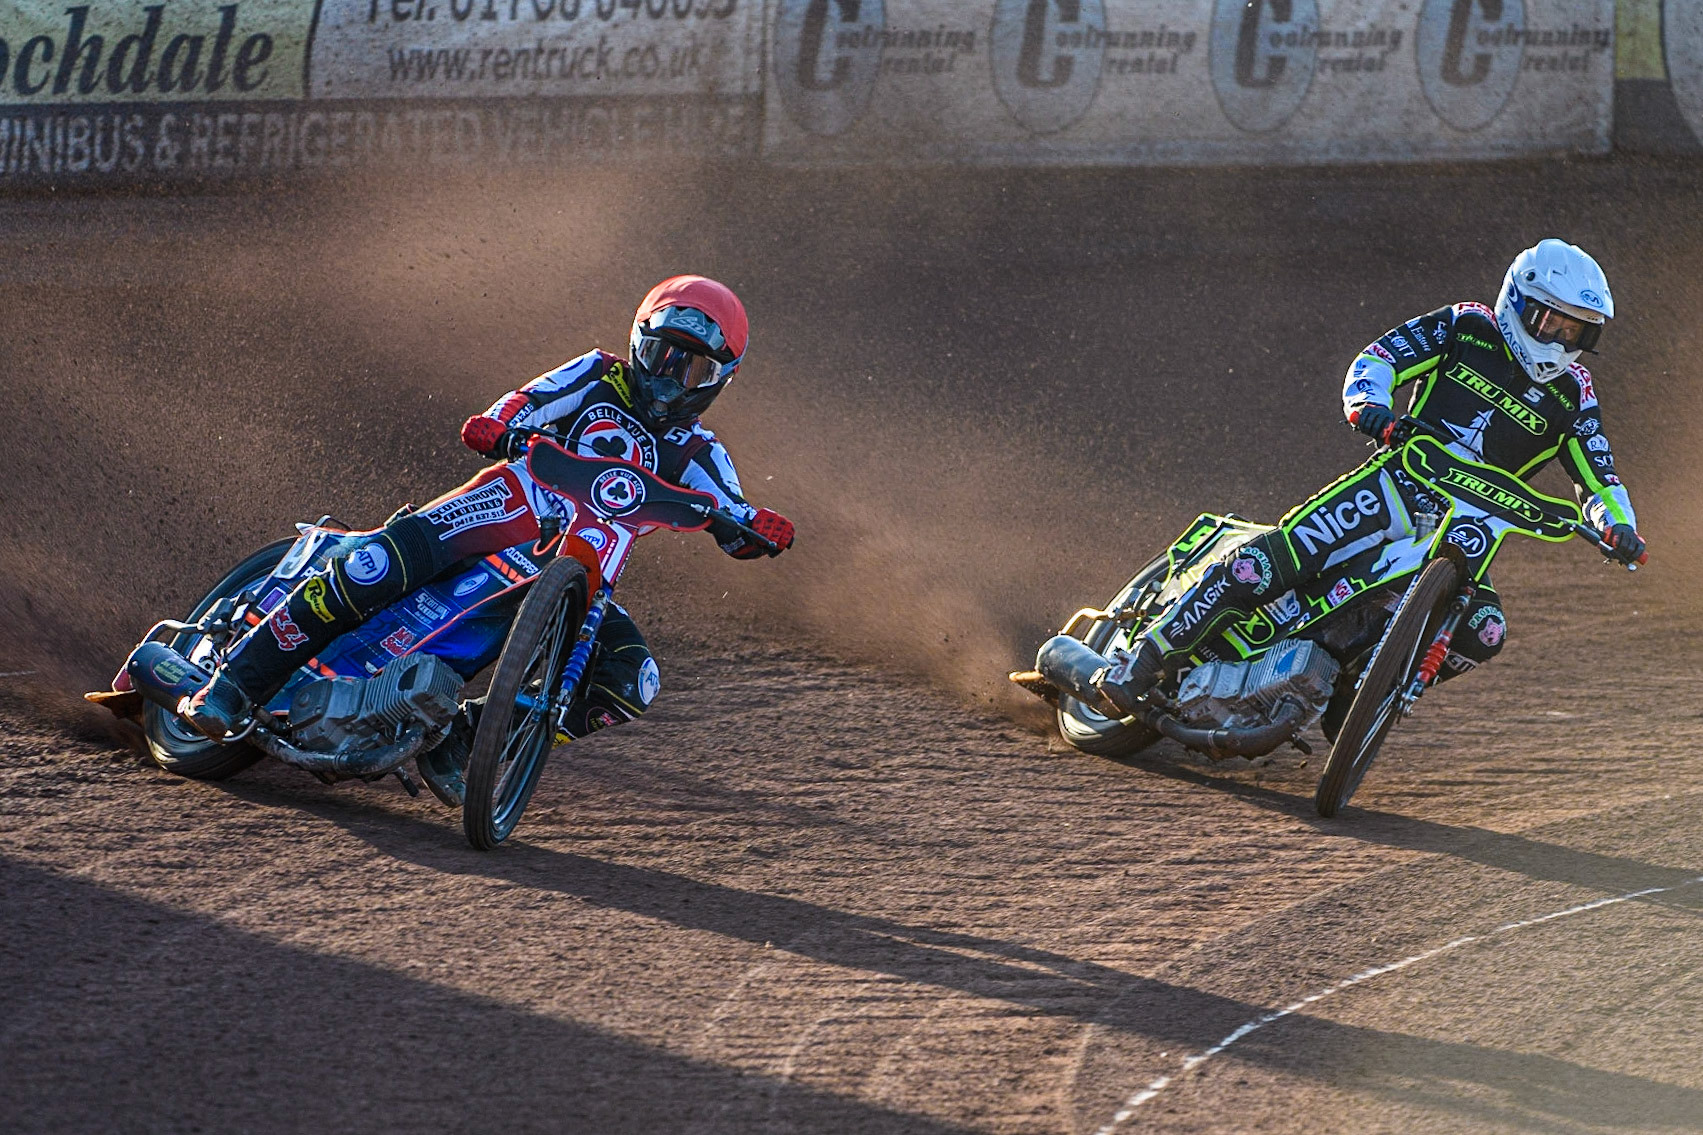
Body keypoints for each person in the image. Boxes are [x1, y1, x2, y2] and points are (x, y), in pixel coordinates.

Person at [181, 275, 795, 800]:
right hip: (506, 506)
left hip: (585, 570)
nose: (672, 378)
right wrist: (497, 427)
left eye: (691, 368)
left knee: (634, 679)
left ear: (720, 379)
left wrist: (753, 532)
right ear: (638, 342)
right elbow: (523, 403)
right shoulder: (595, 375)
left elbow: (732, 517)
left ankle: (467, 742)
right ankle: (235, 683)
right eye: (662, 355)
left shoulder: (702, 453)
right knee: (375, 566)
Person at [1113, 238, 1645, 700]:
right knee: (1282, 558)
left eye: (1577, 333)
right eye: (1551, 322)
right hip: (1397, 485)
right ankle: (1146, 659)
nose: (1560, 342)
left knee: (1484, 632)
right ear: (1519, 302)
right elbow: (1379, 358)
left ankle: (1357, 701)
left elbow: (1600, 477)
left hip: (1473, 530)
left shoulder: (1575, 395)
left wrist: (1618, 526)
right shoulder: (1467, 326)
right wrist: (1371, 407)